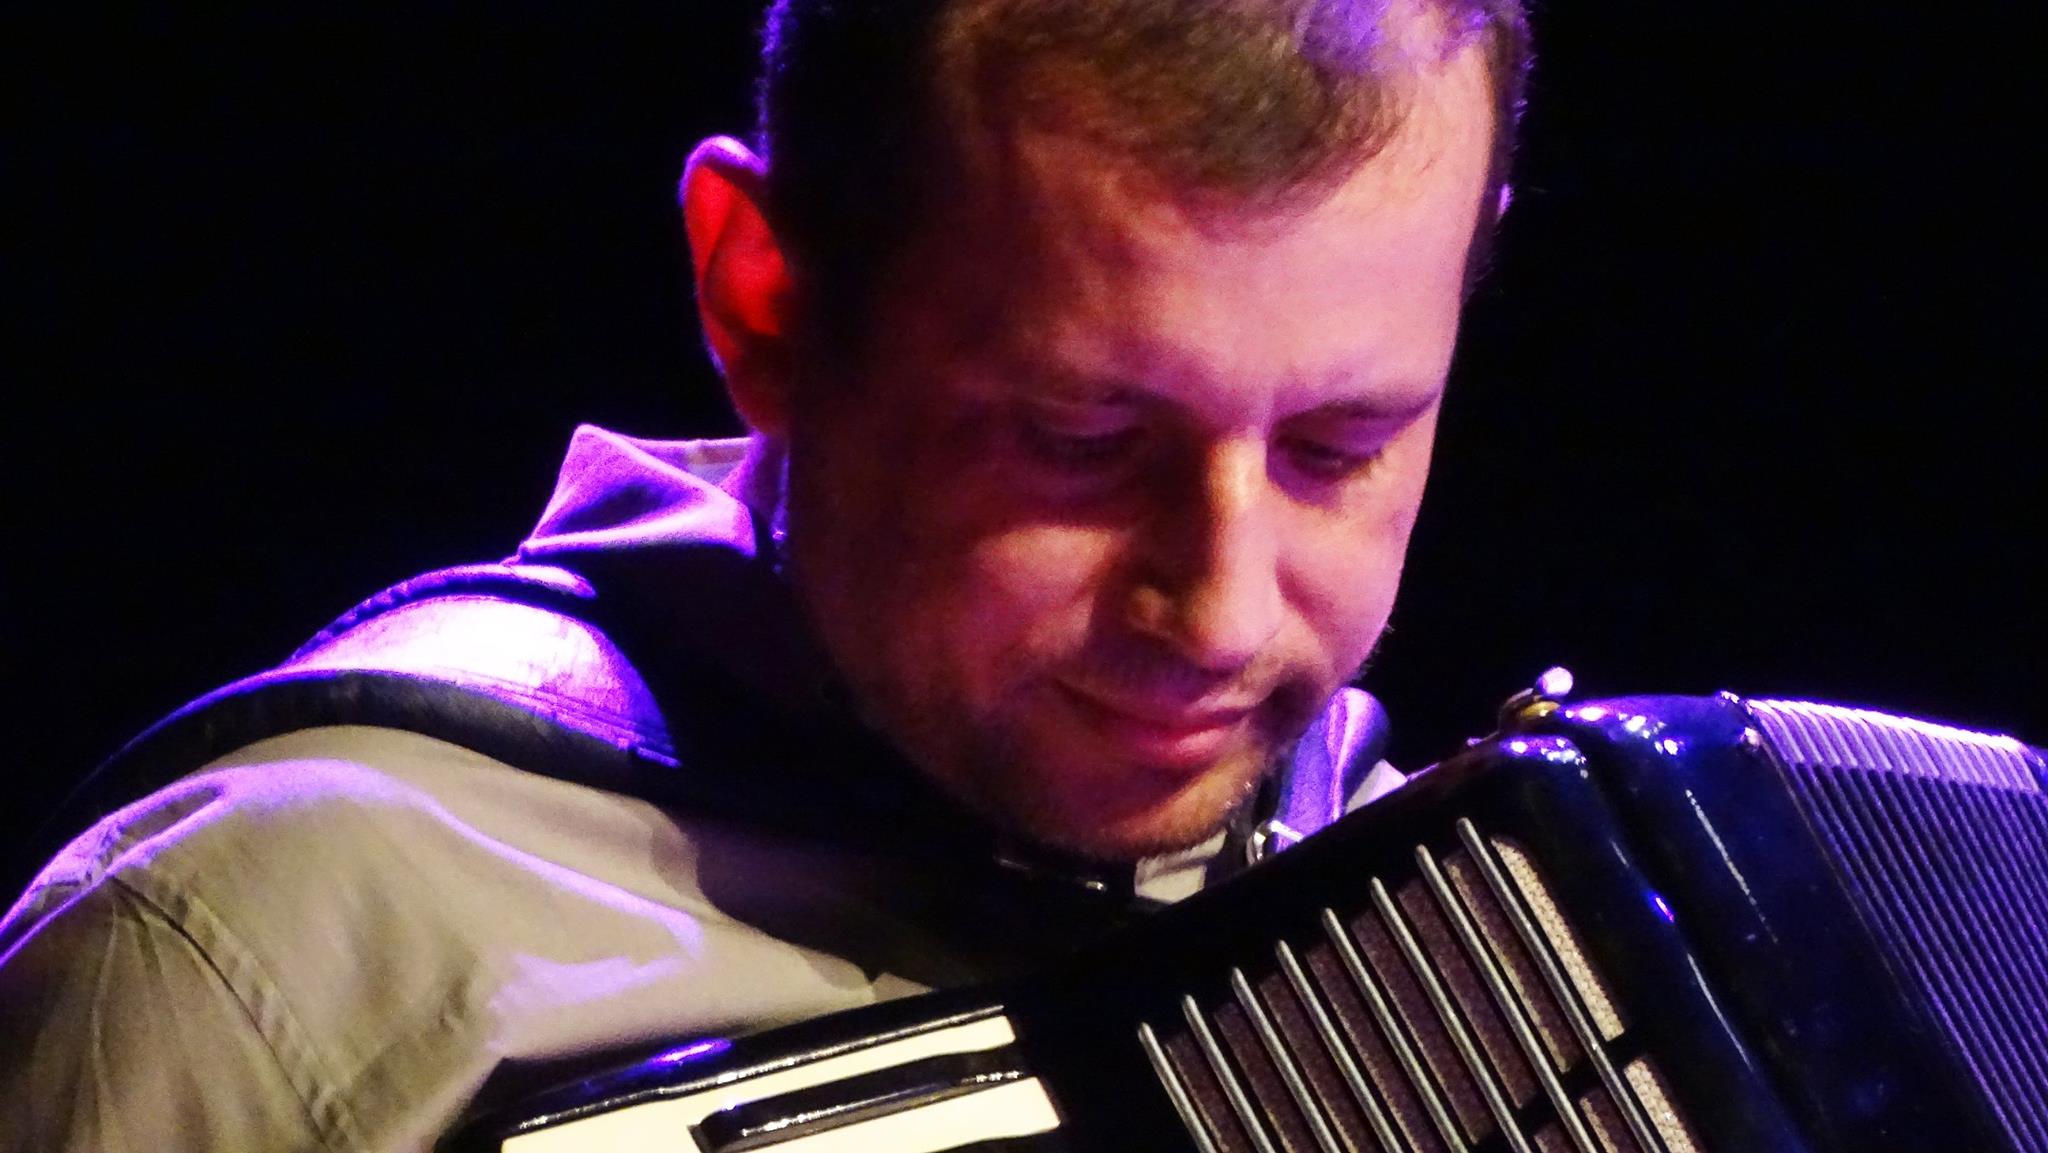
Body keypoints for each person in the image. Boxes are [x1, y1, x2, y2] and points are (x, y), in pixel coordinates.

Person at [0, 0, 1530, 1148]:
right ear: (766, 304)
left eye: (1339, 447)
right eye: (1078, 440)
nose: (1222, 616)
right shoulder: (257, 952)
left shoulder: (1464, 925)